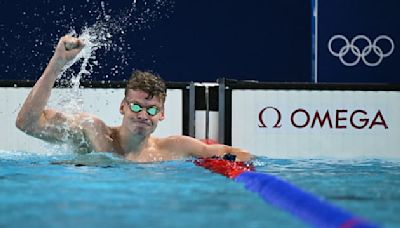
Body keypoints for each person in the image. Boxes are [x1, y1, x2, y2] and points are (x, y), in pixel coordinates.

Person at [16, 35, 252, 162]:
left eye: (151, 110)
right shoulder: (93, 132)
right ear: (122, 107)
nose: (142, 115)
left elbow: (239, 154)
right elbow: (26, 123)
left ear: (162, 114)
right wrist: (57, 64)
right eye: (136, 106)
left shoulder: (174, 148)